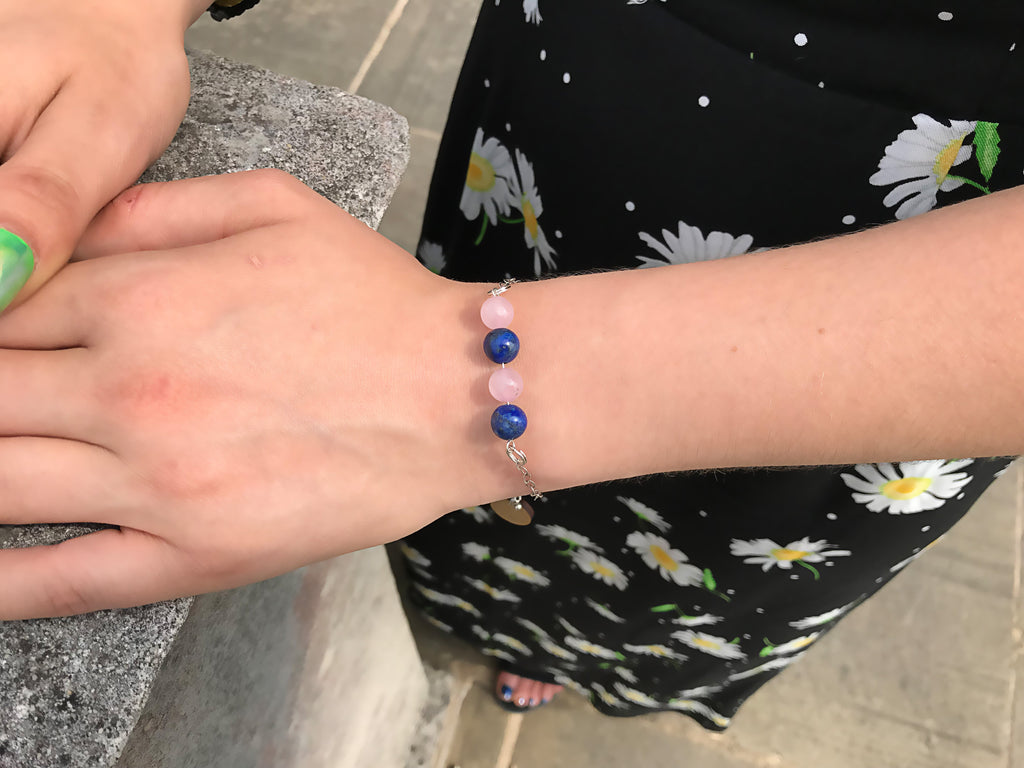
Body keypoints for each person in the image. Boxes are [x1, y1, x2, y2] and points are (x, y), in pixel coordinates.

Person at [0, 0, 1021, 734]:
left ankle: (571, 659)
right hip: (584, 87)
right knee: (465, 515)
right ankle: (485, 606)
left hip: (918, 300)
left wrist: (448, 391)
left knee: (691, 567)